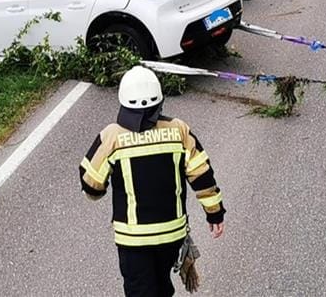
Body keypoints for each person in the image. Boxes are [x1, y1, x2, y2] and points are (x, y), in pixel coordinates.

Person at [80, 66, 226, 297]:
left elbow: (91, 183)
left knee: (141, 291)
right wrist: (214, 213)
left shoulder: (111, 136)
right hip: (172, 234)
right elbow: (202, 176)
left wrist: (97, 192)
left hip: (133, 239)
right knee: (162, 286)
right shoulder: (179, 130)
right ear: (160, 99)